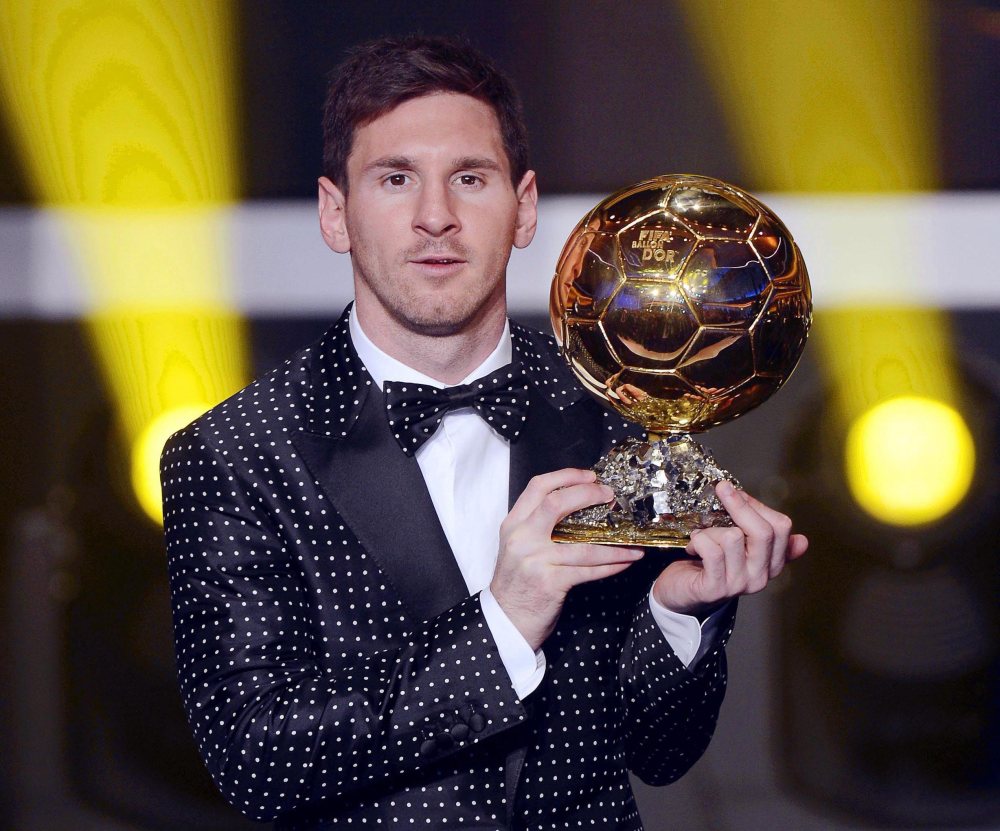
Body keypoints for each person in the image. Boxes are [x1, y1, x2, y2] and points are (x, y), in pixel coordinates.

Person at [161, 34, 808, 830]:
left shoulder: (619, 417)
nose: (436, 217)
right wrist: (505, 618)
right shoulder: (233, 455)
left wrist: (681, 613)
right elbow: (259, 758)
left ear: (524, 207)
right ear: (337, 212)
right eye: (396, 179)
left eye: (470, 178)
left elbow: (659, 750)